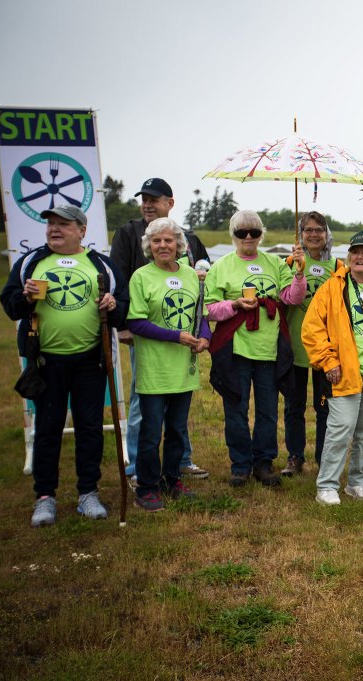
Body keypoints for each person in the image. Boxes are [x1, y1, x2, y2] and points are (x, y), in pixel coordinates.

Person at [0, 205, 129, 526]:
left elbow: (123, 310)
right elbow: (10, 305)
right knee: (48, 428)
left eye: (63, 224)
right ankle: (45, 497)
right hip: (46, 362)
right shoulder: (31, 263)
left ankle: (88, 492)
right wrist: (26, 299)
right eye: (51, 224)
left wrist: (113, 306)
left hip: (90, 361)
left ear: (82, 230)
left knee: (89, 428)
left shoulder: (103, 265)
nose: (54, 229)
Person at [110, 177, 211, 482]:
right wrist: (124, 325)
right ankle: (139, 469)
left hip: (182, 351)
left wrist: (203, 335)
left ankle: (179, 463)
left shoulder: (189, 238)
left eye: (154, 199)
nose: (148, 204)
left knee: (177, 417)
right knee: (146, 408)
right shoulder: (128, 234)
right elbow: (119, 277)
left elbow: (198, 299)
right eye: (144, 199)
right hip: (144, 332)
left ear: (170, 202)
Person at [205, 210, 307, 488]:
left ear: (261, 234)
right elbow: (209, 309)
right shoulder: (221, 267)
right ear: (233, 235)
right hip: (235, 350)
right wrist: (235, 305)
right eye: (241, 232)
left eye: (254, 232)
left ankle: (263, 462)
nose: (248, 237)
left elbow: (292, 297)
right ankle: (240, 465)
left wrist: (299, 272)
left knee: (267, 411)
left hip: (269, 350)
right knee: (235, 410)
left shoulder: (275, 263)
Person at [301, 230, 363, 506]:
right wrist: (328, 360)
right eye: (355, 252)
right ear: (349, 256)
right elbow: (311, 329)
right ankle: (327, 486)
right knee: (341, 426)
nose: (360, 257)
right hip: (345, 370)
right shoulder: (333, 287)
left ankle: (357, 482)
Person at [126, 218, 211, 512]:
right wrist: (175, 336)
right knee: (150, 432)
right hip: (154, 368)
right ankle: (146, 487)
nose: (163, 245)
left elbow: (202, 315)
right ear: (149, 246)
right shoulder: (141, 277)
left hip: (182, 369)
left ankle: (171, 479)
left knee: (177, 430)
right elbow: (135, 322)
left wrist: (205, 338)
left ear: (179, 245)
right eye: (157, 241)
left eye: (169, 240)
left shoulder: (191, 276)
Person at [282, 211, 344, 477]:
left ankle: (323, 456)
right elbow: (284, 299)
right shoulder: (288, 262)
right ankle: (295, 456)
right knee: (293, 405)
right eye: (308, 230)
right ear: (301, 234)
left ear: (326, 233)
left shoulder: (338, 266)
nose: (314, 234)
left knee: (324, 406)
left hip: (324, 349)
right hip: (295, 345)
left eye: (319, 229)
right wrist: (296, 268)